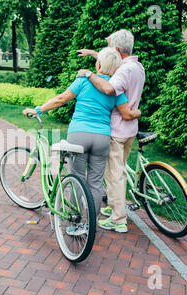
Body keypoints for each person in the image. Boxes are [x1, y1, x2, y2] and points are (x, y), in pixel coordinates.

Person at [22, 47, 141, 222]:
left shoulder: (83, 81)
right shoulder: (115, 89)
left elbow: (61, 99)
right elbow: (127, 113)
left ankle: (75, 220)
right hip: (102, 138)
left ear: (98, 64)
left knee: (76, 177)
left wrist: (38, 110)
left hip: (79, 135)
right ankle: (92, 221)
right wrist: (138, 113)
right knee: (95, 182)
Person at [76, 29, 146, 233]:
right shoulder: (137, 66)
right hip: (130, 130)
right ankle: (116, 208)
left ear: (116, 49)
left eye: (109, 48)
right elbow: (109, 62)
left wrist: (88, 74)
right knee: (119, 171)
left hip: (116, 130)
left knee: (114, 175)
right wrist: (93, 53)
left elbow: (108, 88)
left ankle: (118, 219)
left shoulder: (122, 71)